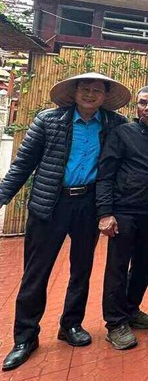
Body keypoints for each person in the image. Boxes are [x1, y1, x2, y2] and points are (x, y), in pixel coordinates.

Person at [0, 73, 131, 371]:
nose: (89, 94)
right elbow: (22, 165)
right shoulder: (48, 121)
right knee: (36, 272)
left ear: (104, 96)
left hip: (88, 204)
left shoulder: (114, 124)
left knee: (81, 270)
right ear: (74, 93)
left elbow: (139, 140)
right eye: (85, 89)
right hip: (51, 203)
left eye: (96, 90)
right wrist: (2, 196)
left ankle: (70, 324)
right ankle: (25, 337)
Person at [96, 85, 148, 350]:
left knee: (144, 265)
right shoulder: (122, 134)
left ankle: (131, 309)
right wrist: (105, 212)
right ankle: (115, 323)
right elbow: (105, 174)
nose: (147, 108)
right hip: (125, 210)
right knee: (117, 268)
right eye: (142, 103)